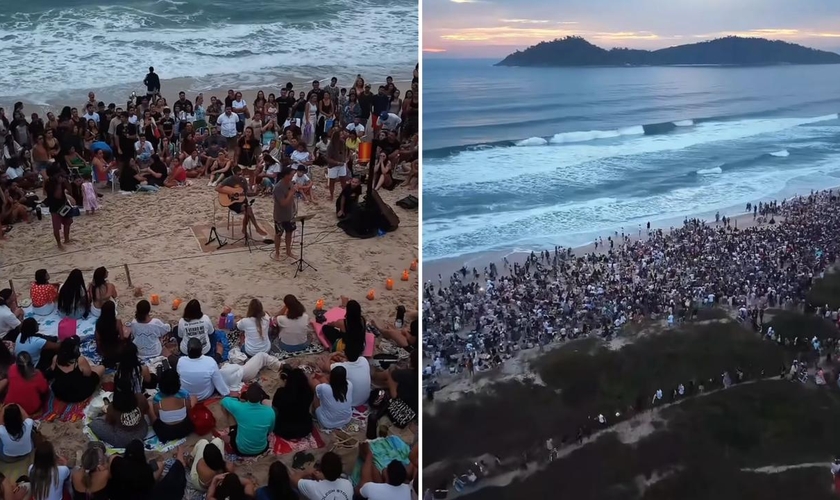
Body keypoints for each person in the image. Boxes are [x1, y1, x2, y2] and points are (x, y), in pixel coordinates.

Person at [109, 440, 187, 500]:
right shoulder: (144, 472)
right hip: (147, 494)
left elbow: (113, 458)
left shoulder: (115, 467)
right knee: (172, 481)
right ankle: (180, 461)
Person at [219, 384, 275, 457]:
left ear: (247, 396)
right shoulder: (270, 411)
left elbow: (224, 401)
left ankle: (231, 429)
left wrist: (236, 399)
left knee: (230, 411)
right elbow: (270, 430)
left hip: (241, 450)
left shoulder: (239, 407)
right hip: (262, 448)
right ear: (261, 397)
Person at [88, 384, 148, 449]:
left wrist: (108, 411)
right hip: (142, 431)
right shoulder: (140, 398)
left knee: (95, 424)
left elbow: (109, 422)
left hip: (123, 440)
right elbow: (145, 410)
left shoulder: (113, 408)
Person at [216, 167, 268, 237]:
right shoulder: (228, 180)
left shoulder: (243, 180)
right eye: (238, 174)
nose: (240, 176)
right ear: (234, 174)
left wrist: (255, 192)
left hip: (242, 200)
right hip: (232, 202)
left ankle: (247, 228)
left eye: (241, 174)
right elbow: (217, 188)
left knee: (248, 210)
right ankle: (255, 228)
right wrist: (230, 192)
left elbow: (247, 192)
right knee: (248, 210)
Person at [50, 337, 104, 403]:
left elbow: (53, 371)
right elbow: (88, 374)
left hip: (61, 393)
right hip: (78, 394)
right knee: (101, 368)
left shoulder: (55, 358)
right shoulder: (80, 360)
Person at [149, 368, 195, 442]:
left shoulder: (157, 398)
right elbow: (188, 409)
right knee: (193, 398)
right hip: (184, 429)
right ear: (178, 383)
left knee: (150, 405)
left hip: (165, 432)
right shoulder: (184, 394)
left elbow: (157, 415)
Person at [271, 366, 314, 440]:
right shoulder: (309, 392)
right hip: (304, 429)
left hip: (283, 429)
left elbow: (274, 408)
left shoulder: (281, 392)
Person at [325, 341, 370, 407]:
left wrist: (332, 354)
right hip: (364, 399)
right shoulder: (364, 360)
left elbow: (325, 366)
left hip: (351, 402)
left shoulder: (342, 366)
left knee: (325, 377)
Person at [43, 171, 75, 250]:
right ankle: (59, 244)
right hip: (54, 207)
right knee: (56, 227)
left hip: (63, 204)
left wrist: (66, 182)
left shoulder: (61, 182)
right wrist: (59, 184)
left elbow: (70, 191)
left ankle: (67, 239)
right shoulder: (49, 183)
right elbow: (56, 196)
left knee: (68, 222)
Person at [271, 167, 297, 261]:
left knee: (289, 232)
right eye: (291, 174)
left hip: (289, 213)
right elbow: (283, 203)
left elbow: (291, 198)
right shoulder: (278, 187)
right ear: (286, 175)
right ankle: (277, 252)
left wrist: (294, 207)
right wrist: (291, 193)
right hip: (280, 215)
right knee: (279, 234)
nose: (293, 176)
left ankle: (288, 251)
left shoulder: (290, 183)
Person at [95, 300, 127, 368]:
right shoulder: (117, 322)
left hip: (104, 350)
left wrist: (100, 351)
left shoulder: (98, 322)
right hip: (115, 350)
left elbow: (97, 339)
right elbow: (122, 338)